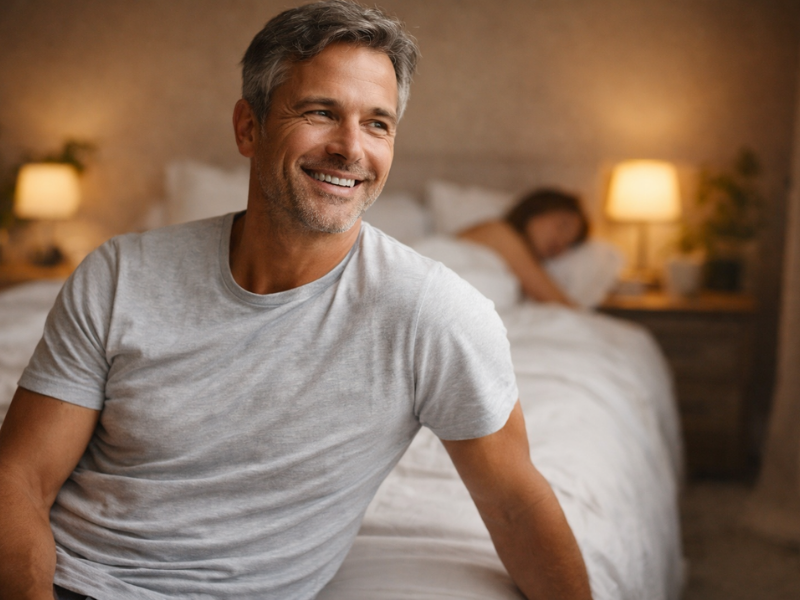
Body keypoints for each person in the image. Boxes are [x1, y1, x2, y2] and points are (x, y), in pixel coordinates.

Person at [0, 2, 591, 599]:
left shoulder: (435, 315)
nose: (350, 148)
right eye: (320, 112)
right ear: (248, 127)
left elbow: (516, 504)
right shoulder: (120, 273)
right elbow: (19, 476)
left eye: (377, 124)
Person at [458, 188, 590, 306]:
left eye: (567, 244)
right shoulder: (497, 232)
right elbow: (559, 302)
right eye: (562, 226)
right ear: (537, 209)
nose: (560, 243)